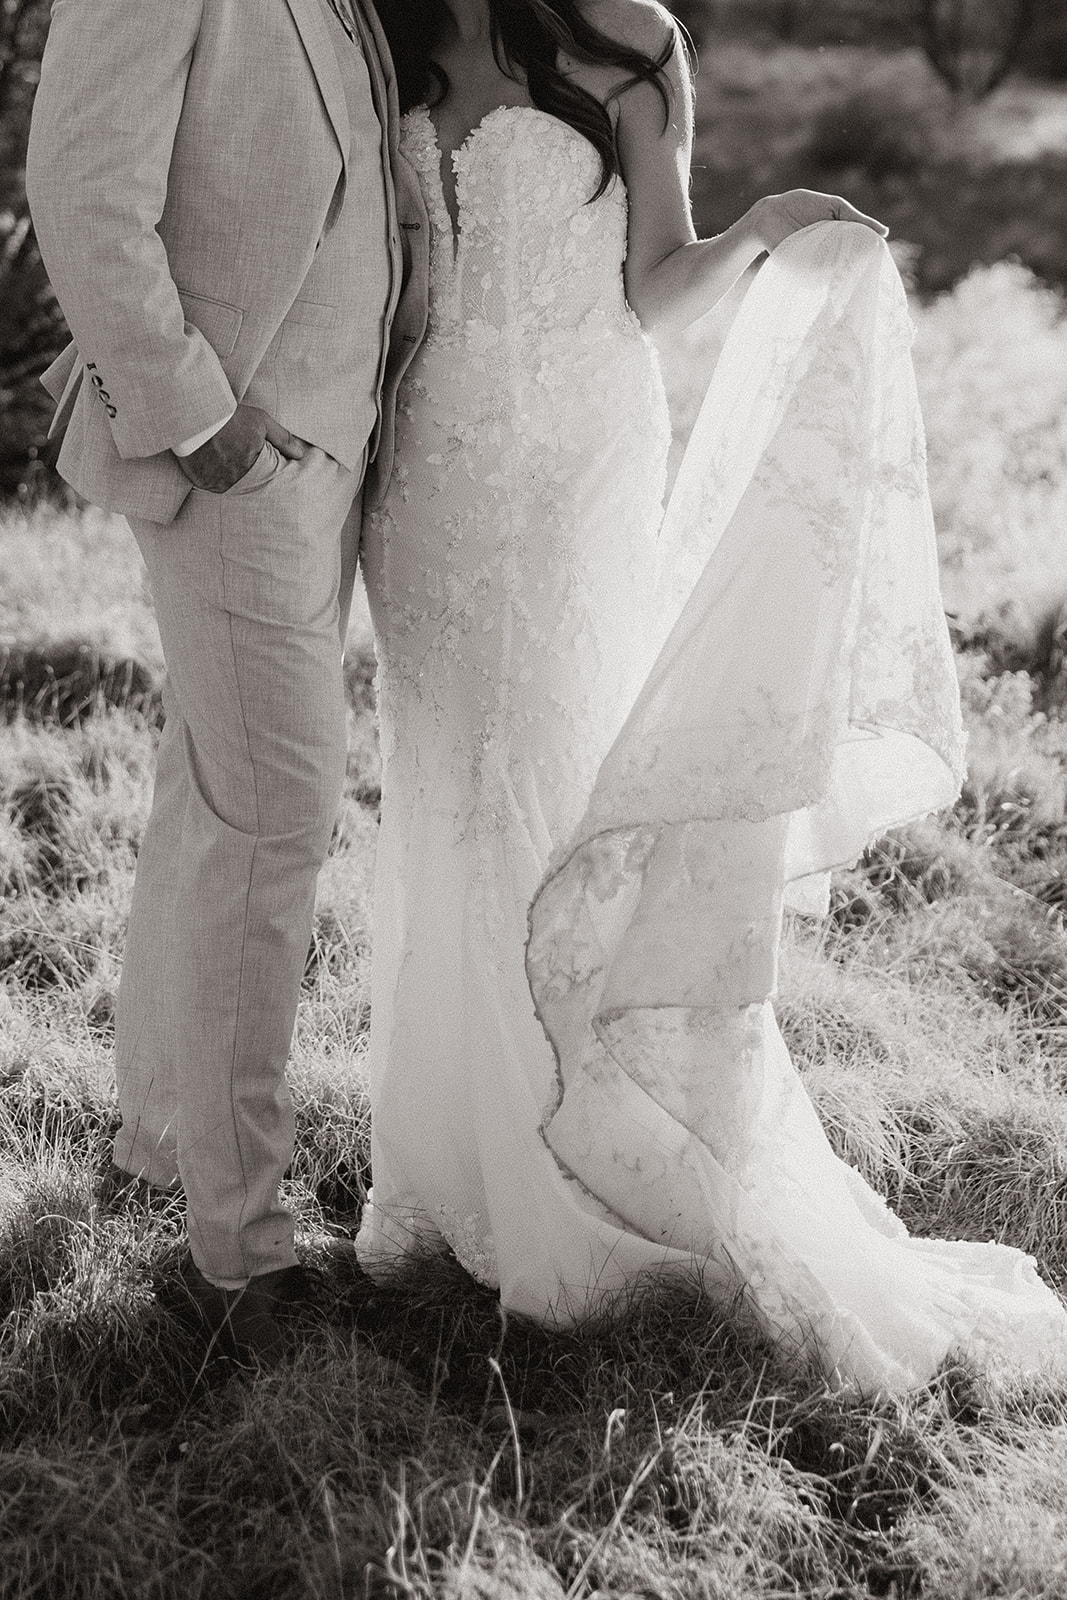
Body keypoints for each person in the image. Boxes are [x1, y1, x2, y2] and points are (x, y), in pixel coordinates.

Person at [355, 0, 1067, 1393]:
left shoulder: (629, 38)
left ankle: (586, 1167)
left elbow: (654, 279)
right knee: (444, 796)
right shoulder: (394, 30)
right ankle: (452, 1161)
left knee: (558, 780)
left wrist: (753, 238)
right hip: (429, 473)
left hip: (577, 461)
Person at [26, 0, 428, 1363]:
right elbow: (80, 190)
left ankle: (159, 1141)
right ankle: (239, 1256)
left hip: (323, 460)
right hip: (237, 459)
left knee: (216, 803)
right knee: (274, 821)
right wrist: (202, 421)